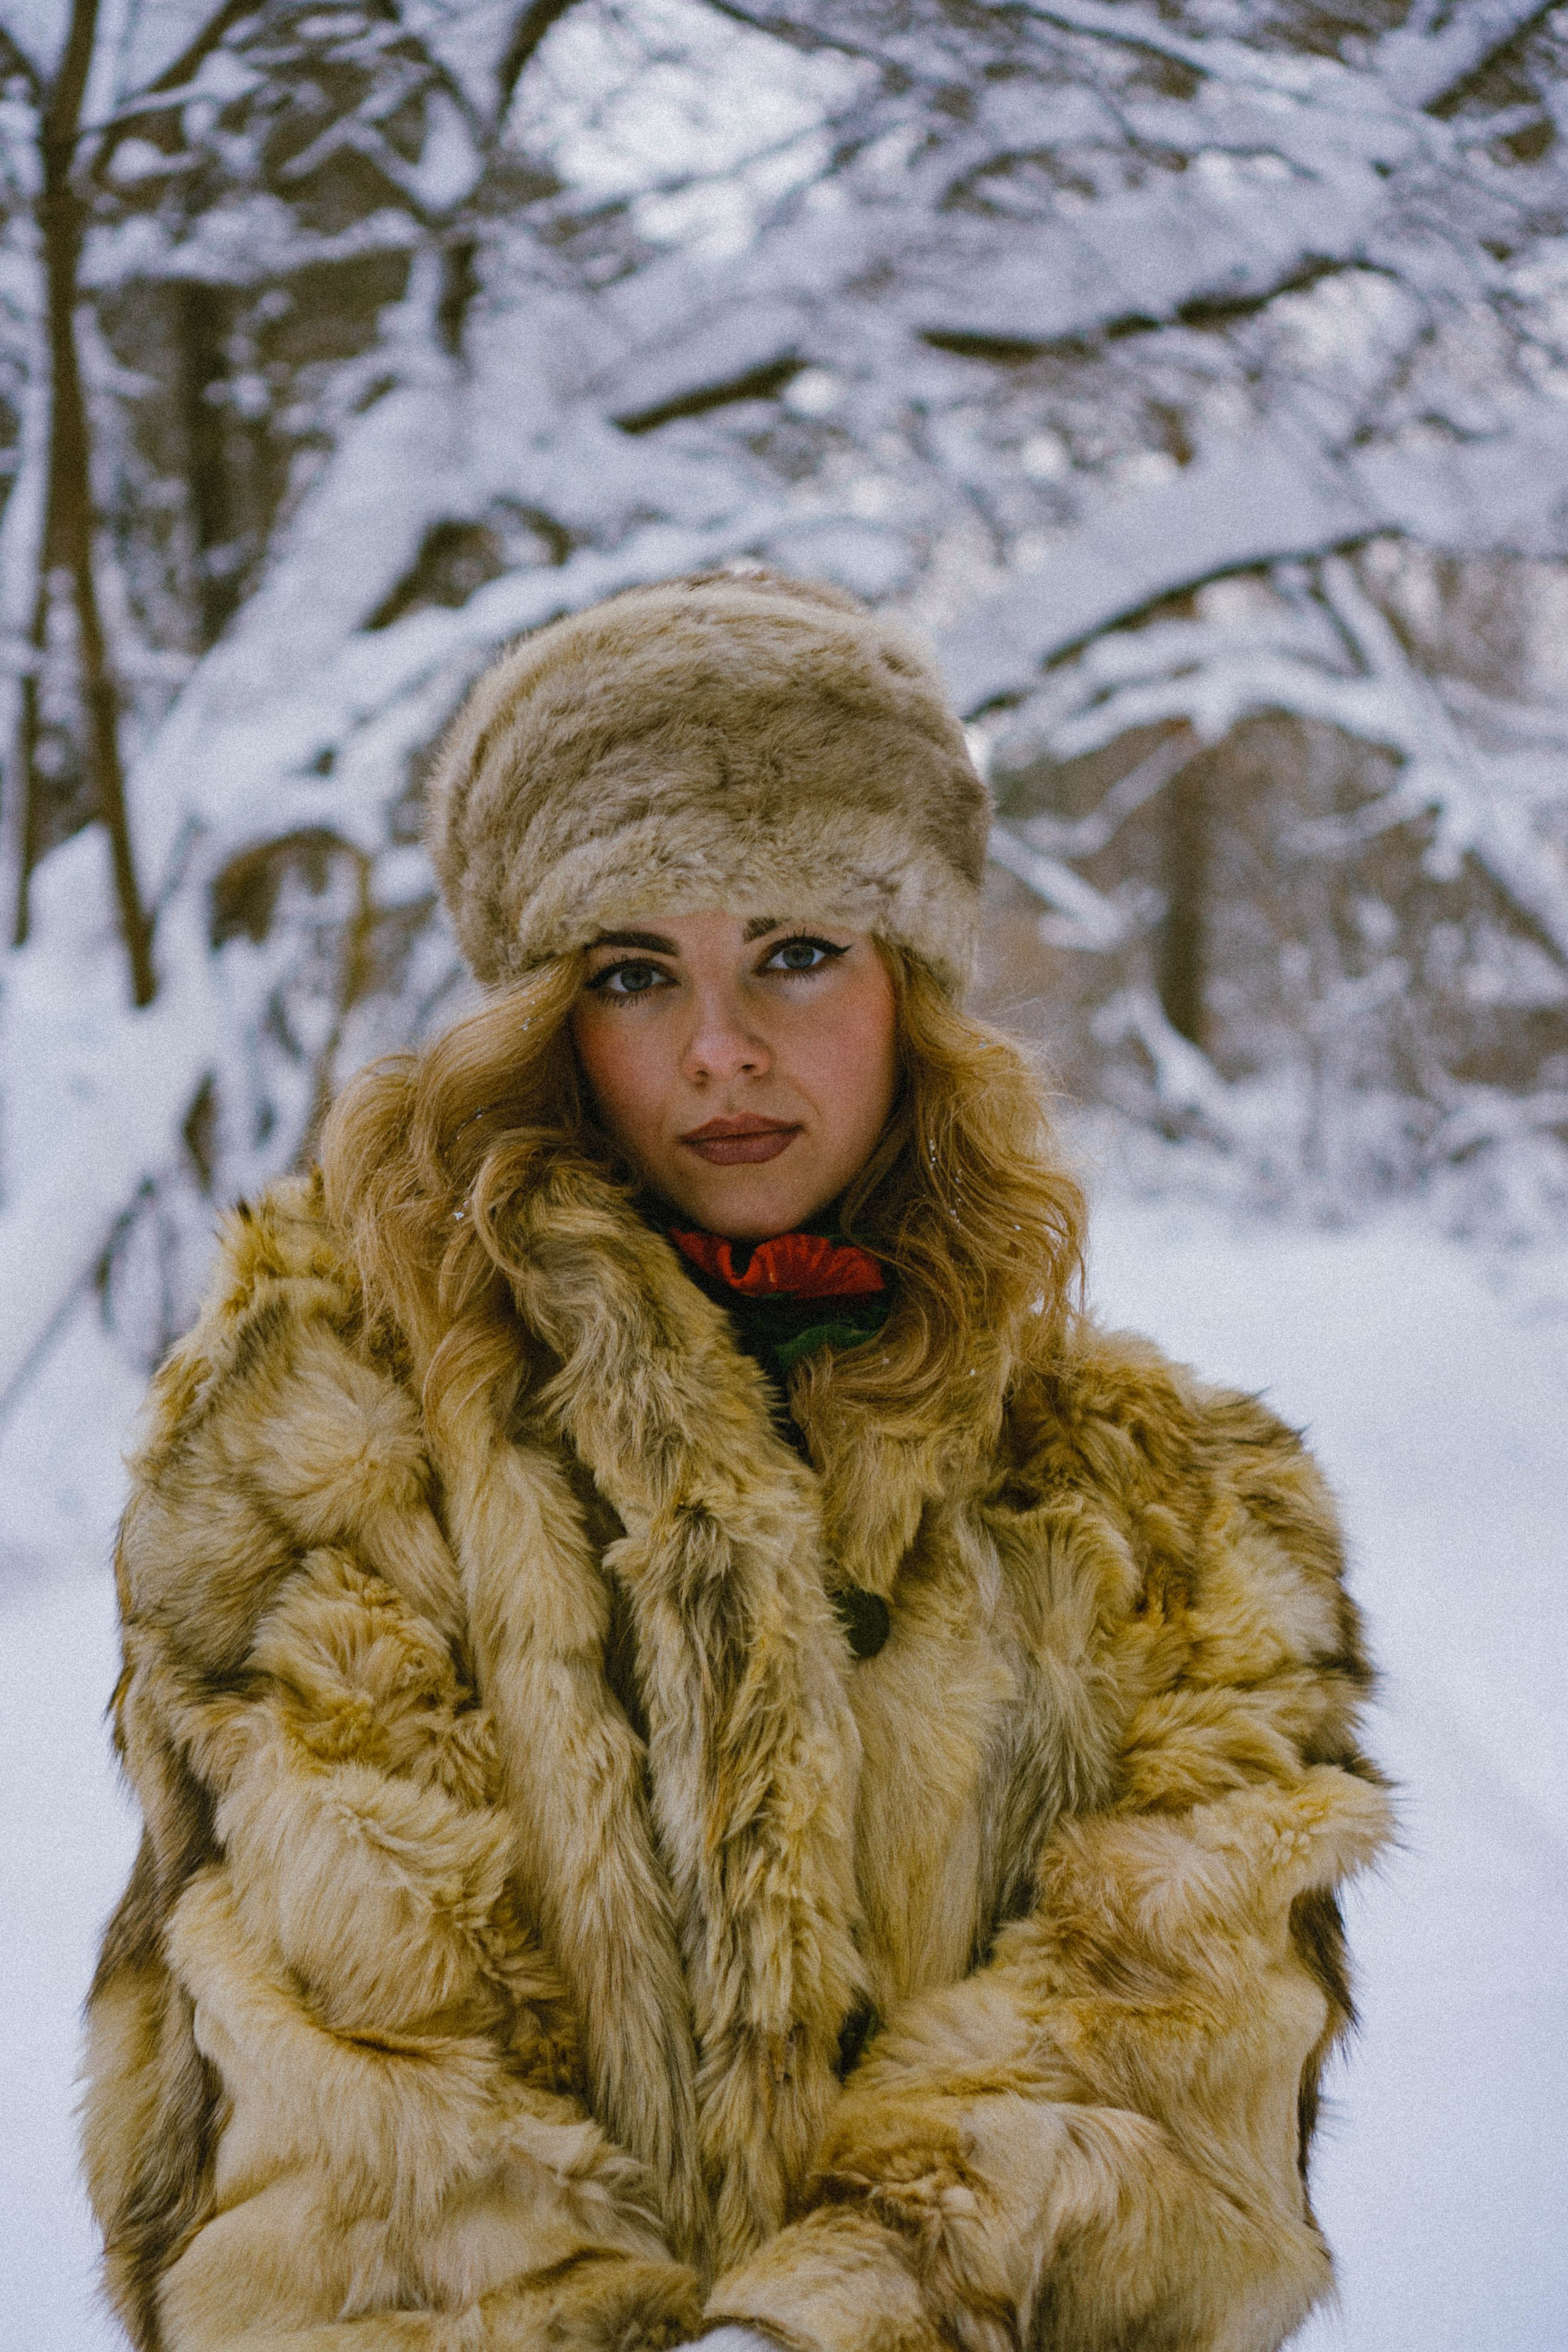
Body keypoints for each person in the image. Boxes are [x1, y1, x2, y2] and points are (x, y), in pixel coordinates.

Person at [83, 570, 1390, 2352]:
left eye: (794, 951)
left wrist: (829, 2326)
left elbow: (1170, 2089)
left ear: (909, 982)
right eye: (636, 972)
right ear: (546, 1015)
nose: (722, 1052)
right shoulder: (327, 1444)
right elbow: (335, 2132)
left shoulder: (1172, 1517)